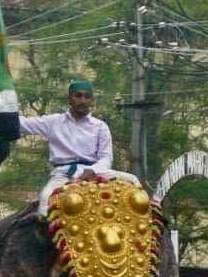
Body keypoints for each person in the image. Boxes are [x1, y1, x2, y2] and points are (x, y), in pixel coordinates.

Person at [19, 79, 139, 218]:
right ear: (69, 98)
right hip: (63, 175)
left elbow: (106, 158)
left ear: (92, 101)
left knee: (133, 181)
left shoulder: (100, 126)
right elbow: (22, 123)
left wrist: (92, 170)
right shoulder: (53, 122)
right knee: (46, 200)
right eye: (78, 96)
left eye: (87, 97)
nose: (82, 100)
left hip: (95, 172)